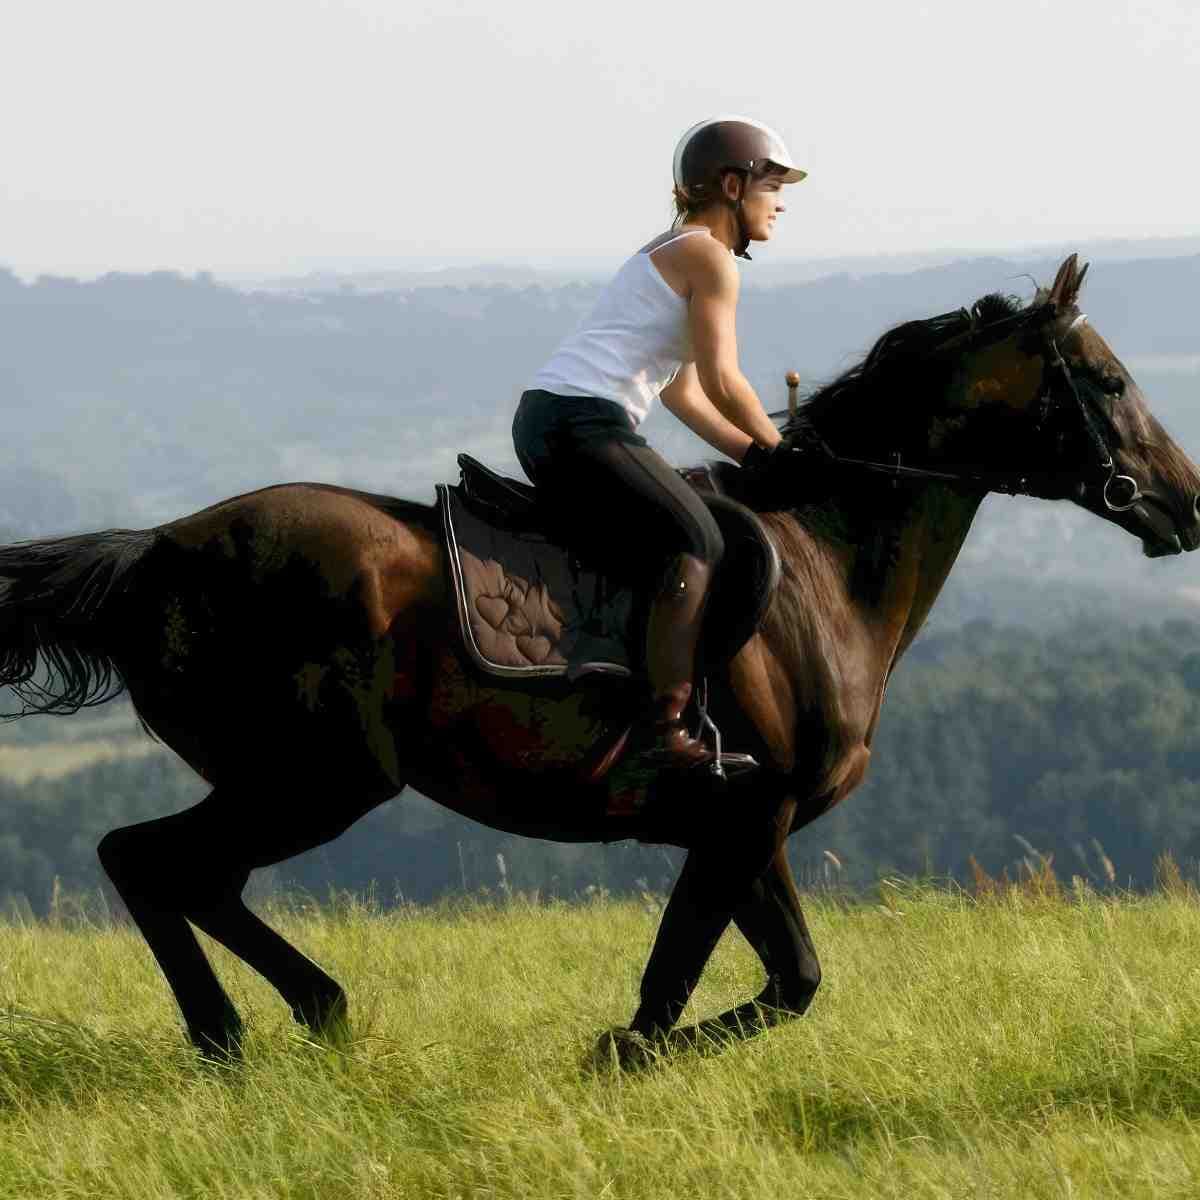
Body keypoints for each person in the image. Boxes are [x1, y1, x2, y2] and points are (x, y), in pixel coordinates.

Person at [511, 116, 807, 772]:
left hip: (562, 418)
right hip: (581, 422)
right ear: (732, 185)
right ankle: (661, 732)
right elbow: (727, 382)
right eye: (771, 187)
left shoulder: (680, 248)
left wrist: (755, 457)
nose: (781, 202)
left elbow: (684, 395)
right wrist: (782, 451)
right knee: (698, 539)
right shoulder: (711, 258)